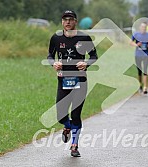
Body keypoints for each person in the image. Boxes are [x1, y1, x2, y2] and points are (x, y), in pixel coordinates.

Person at [47, 10, 98, 157]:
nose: (67, 22)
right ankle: (67, 127)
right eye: (65, 19)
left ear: (76, 21)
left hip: (80, 80)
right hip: (63, 80)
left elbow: (94, 55)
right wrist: (54, 63)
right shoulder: (56, 38)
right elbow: (50, 55)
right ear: (62, 22)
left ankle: (74, 146)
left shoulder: (84, 37)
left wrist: (86, 63)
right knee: (61, 115)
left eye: (70, 19)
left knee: (76, 114)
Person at [130, 22, 148, 94]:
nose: (143, 29)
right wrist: (136, 44)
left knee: (145, 71)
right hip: (138, 55)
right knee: (139, 71)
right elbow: (131, 42)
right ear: (140, 28)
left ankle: (145, 88)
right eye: (142, 27)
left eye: (145, 28)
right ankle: (140, 85)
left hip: (146, 55)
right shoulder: (136, 34)